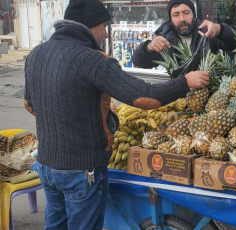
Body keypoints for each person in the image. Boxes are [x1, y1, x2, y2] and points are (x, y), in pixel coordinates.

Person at [23, 0, 209, 229]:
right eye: (103, 26)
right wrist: (185, 82)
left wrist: (83, 109)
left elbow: (29, 104)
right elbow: (143, 96)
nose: (106, 34)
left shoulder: (36, 54)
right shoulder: (93, 59)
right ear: (89, 26)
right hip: (82, 170)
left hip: (46, 165)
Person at [132, 0, 236, 70]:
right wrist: (148, 47)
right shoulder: (164, 38)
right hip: (179, 97)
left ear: (194, 15)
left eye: (186, 13)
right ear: (171, 18)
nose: (182, 19)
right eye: (176, 15)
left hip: (211, 94)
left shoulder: (207, 31)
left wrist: (220, 29)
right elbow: (139, 62)